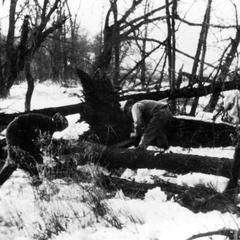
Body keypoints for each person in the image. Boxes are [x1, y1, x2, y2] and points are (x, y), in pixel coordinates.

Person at [0, 113, 68, 187]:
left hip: (17, 131)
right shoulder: (47, 126)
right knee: (19, 159)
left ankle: (35, 178)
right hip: (17, 131)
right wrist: (37, 154)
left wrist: (38, 153)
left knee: (13, 162)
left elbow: (39, 144)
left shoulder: (47, 124)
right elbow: (37, 143)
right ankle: (35, 178)